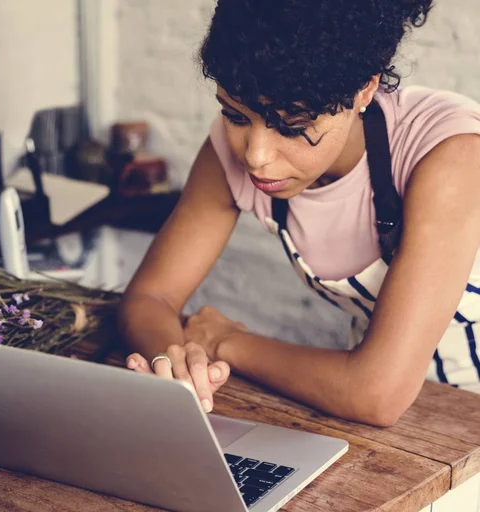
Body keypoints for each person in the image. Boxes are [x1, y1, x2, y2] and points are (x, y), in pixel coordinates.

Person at [117, 0, 480, 427]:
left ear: (364, 89)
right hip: (398, 412)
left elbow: (376, 394)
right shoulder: (233, 156)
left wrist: (228, 343)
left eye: (291, 126)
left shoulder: (451, 155)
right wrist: (177, 359)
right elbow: (150, 298)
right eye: (235, 115)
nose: (256, 157)